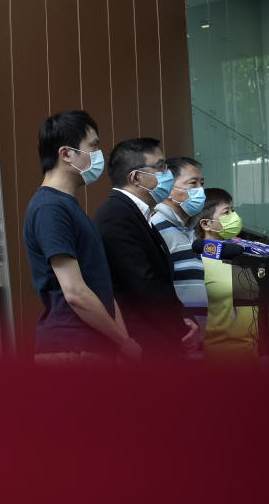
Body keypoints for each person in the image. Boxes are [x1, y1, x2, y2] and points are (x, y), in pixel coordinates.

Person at [23, 110, 142, 366]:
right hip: (72, 349)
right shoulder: (50, 208)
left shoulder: (67, 206)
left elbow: (101, 287)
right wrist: (124, 342)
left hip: (94, 348)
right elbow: (75, 292)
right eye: (93, 146)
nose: (99, 155)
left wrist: (121, 340)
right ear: (66, 154)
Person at [92, 138, 200, 355]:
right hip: (144, 343)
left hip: (159, 338)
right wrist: (179, 323)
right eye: (160, 167)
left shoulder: (139, 214)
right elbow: (142, 283)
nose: (167, 173)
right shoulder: (116, 215)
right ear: (136, 177)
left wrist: (183, 316)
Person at [148, 156, 208, 353]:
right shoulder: (155, 227)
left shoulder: (189, 232)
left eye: (202, 183)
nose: (200, 190)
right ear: (168, 188)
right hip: (173, 343)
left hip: (195, 346)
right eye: (193, 183)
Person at [194, 188, 257, 362]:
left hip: (252, 355)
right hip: (220, 359)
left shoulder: (243, 256)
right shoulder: (198, 262)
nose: (233, 216)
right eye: (226, 212)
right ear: (206, 224)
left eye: (233, 210)